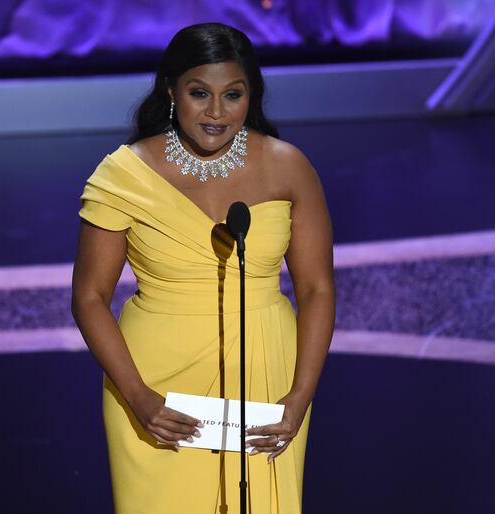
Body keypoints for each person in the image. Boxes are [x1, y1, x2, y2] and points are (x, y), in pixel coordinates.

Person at [71, 22, 334, 514]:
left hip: (266, 375)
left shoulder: (288, 166)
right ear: (171, 90)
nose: (216, 112)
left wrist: (301, 395)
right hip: (155, 389)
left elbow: (317, 288)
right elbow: (88, 297)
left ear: (250, 95)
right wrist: (139, 397)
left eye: (232, 95)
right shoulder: (123, 176)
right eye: (199, 93)